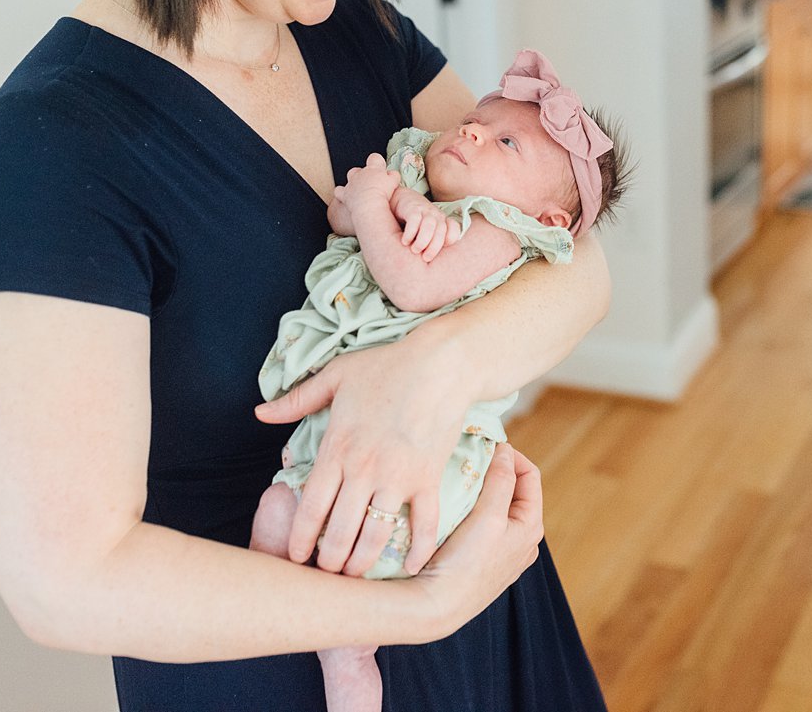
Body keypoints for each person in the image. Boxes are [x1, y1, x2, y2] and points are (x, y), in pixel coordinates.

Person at [0, 0, 611, 709]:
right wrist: (414, 608)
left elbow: (579, 260)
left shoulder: (367, 38)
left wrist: (433, 372)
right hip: (280, 674)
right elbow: (61, 578)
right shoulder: (49, 147)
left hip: (486, 608)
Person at [252, 50, 627, 712]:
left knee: (351, 567)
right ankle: (277, 624)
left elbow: (412, 282)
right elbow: (342, 222)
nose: (474, 131)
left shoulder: (500, 234)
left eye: (506, 142)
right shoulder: (422, 183)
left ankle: (350, 663)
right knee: (279, 516)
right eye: (477, 119)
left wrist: (377, 208)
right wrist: (384, 197)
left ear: (546, 220)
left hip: (414, 460)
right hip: (335, 437)